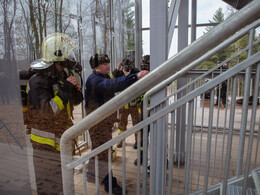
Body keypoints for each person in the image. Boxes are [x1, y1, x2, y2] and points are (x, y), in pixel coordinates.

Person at [26, 33, 83, 195]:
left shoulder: (61, 76)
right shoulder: (37, 81)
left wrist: (76, 90)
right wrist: (66, 89)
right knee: (48, 186)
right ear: (57, 56)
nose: (70, 58)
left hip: (61, 141)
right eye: (67, 53)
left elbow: (74, 103)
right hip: (45, 146)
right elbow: (48, 112)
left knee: (63, 182)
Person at [85, 53, 149, 194]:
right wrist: (135, 76)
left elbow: (114, 81)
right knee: (104, 153)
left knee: (98, 148)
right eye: (104, 64)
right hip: (98, 124)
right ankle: (110, 185)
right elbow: (112, 84)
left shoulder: (101, 77)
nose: (108, 65)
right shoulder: (94, 80)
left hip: (102, 122)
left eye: (108, 63)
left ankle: (91, 174)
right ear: (96, 67)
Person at [110, 59, 141, 148]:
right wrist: (117, 69)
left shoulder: (135, 73)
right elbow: (111, 79)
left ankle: (138, 142)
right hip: (123, 105)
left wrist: (130, 75)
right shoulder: (119, 73)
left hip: (134, 104)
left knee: (137, 124)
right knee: (121, 124)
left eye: (128, 66)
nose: (127, 68)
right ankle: (121, 141)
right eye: (125, 66)